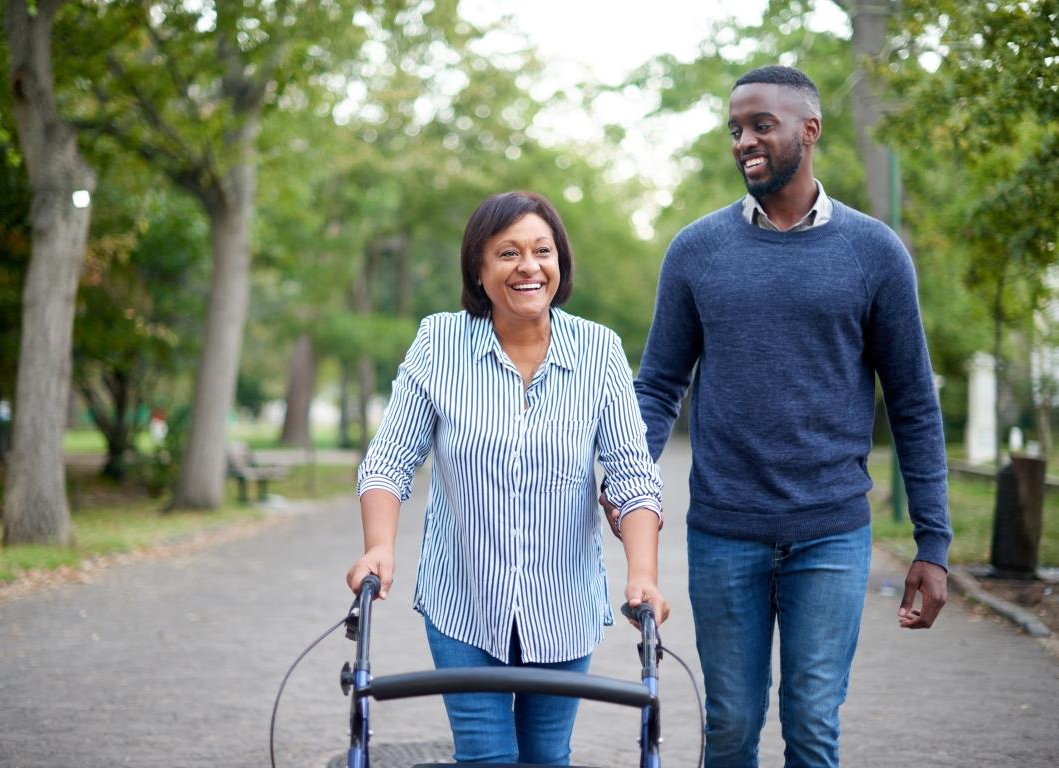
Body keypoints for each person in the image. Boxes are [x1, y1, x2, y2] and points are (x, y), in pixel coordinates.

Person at [620, 65, 953, 767]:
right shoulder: (696, 251)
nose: (744, 141)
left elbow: (915, 404)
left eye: (760, 125)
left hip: (831, 534)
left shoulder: (875, 253)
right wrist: (628, 478)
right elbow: (657, 386)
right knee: (732, 726)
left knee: (812, 727)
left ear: (810, 129)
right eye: (735, 129)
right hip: (722, 531)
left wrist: (932, 543)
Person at [346, 191, 669, 765]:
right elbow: (390, 460)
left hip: (562, 603)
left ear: (560, 263)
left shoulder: (599, 351)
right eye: (508, 252)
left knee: (547, 756)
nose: (528, 266)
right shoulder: (440, 342)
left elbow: (631, 475)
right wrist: (378, 548)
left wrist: (642, 575)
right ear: (479, 267)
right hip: (464, 598)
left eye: (542, 251)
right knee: (486, 757)